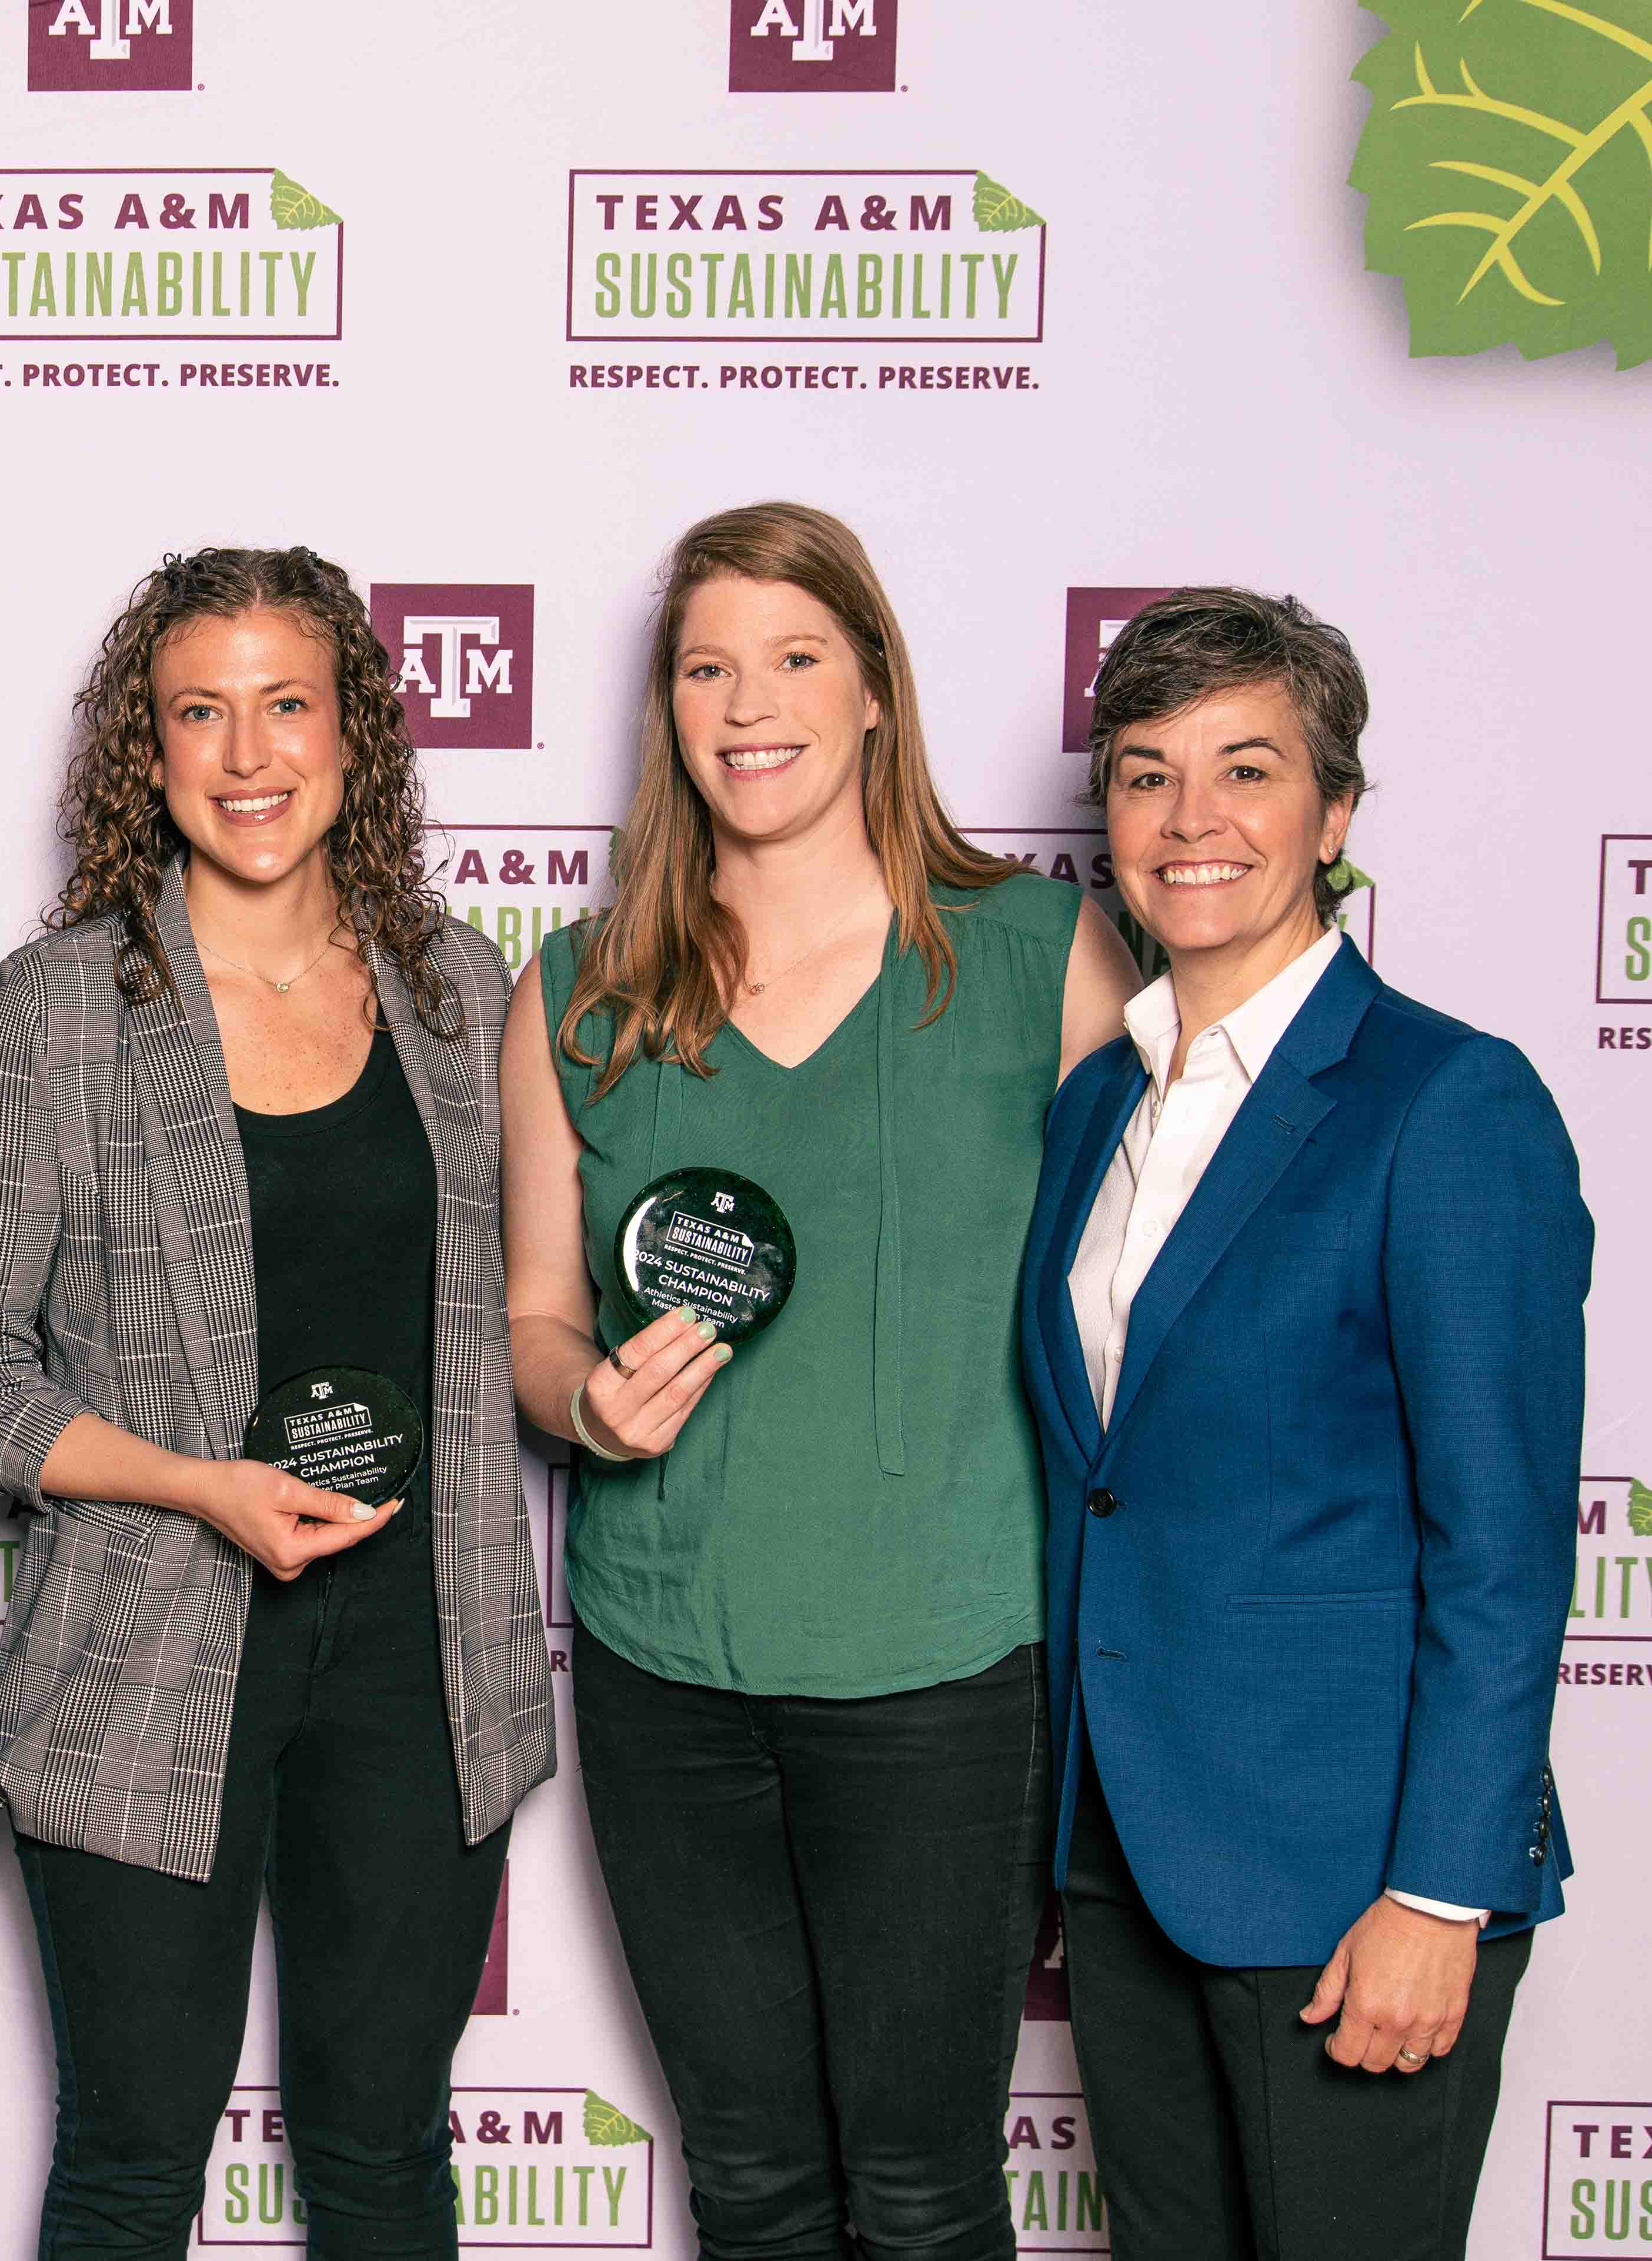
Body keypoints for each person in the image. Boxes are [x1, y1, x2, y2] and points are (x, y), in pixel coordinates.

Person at [501, 502, 1139, 2261]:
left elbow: (1155, 1319)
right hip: (666, 1676)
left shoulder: (1042, 956)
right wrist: (579, 1402)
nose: (749, 701)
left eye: (796, 656)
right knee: (757, 2186)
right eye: (708, 665)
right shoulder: (582, 988)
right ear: (668, 709)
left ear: (875, 692)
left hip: (943, 1678)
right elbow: (534, 1318)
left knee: (927, 2196)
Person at [0, 546, 554, 2261]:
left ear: (357, 739)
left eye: (290, 705)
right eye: (202, 711)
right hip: (149, 1645)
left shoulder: (457, 992)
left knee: (382, 2155)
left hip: (425, 1660)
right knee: (132, 2166)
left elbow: (533, 1308)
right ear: (152, 748)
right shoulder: (70, 1005)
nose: (250, 753)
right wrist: (199, 1485)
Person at [1015, 587, 1584, 2260]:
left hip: (1357, 1880)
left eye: (1246, 771)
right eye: (1144, 774)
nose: (1192, 822)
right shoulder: (1096, 1104)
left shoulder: (1443, 1100)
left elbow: (1500, 1548)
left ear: (1334, 815)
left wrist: (1440, 1894)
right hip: (1128, 1858)